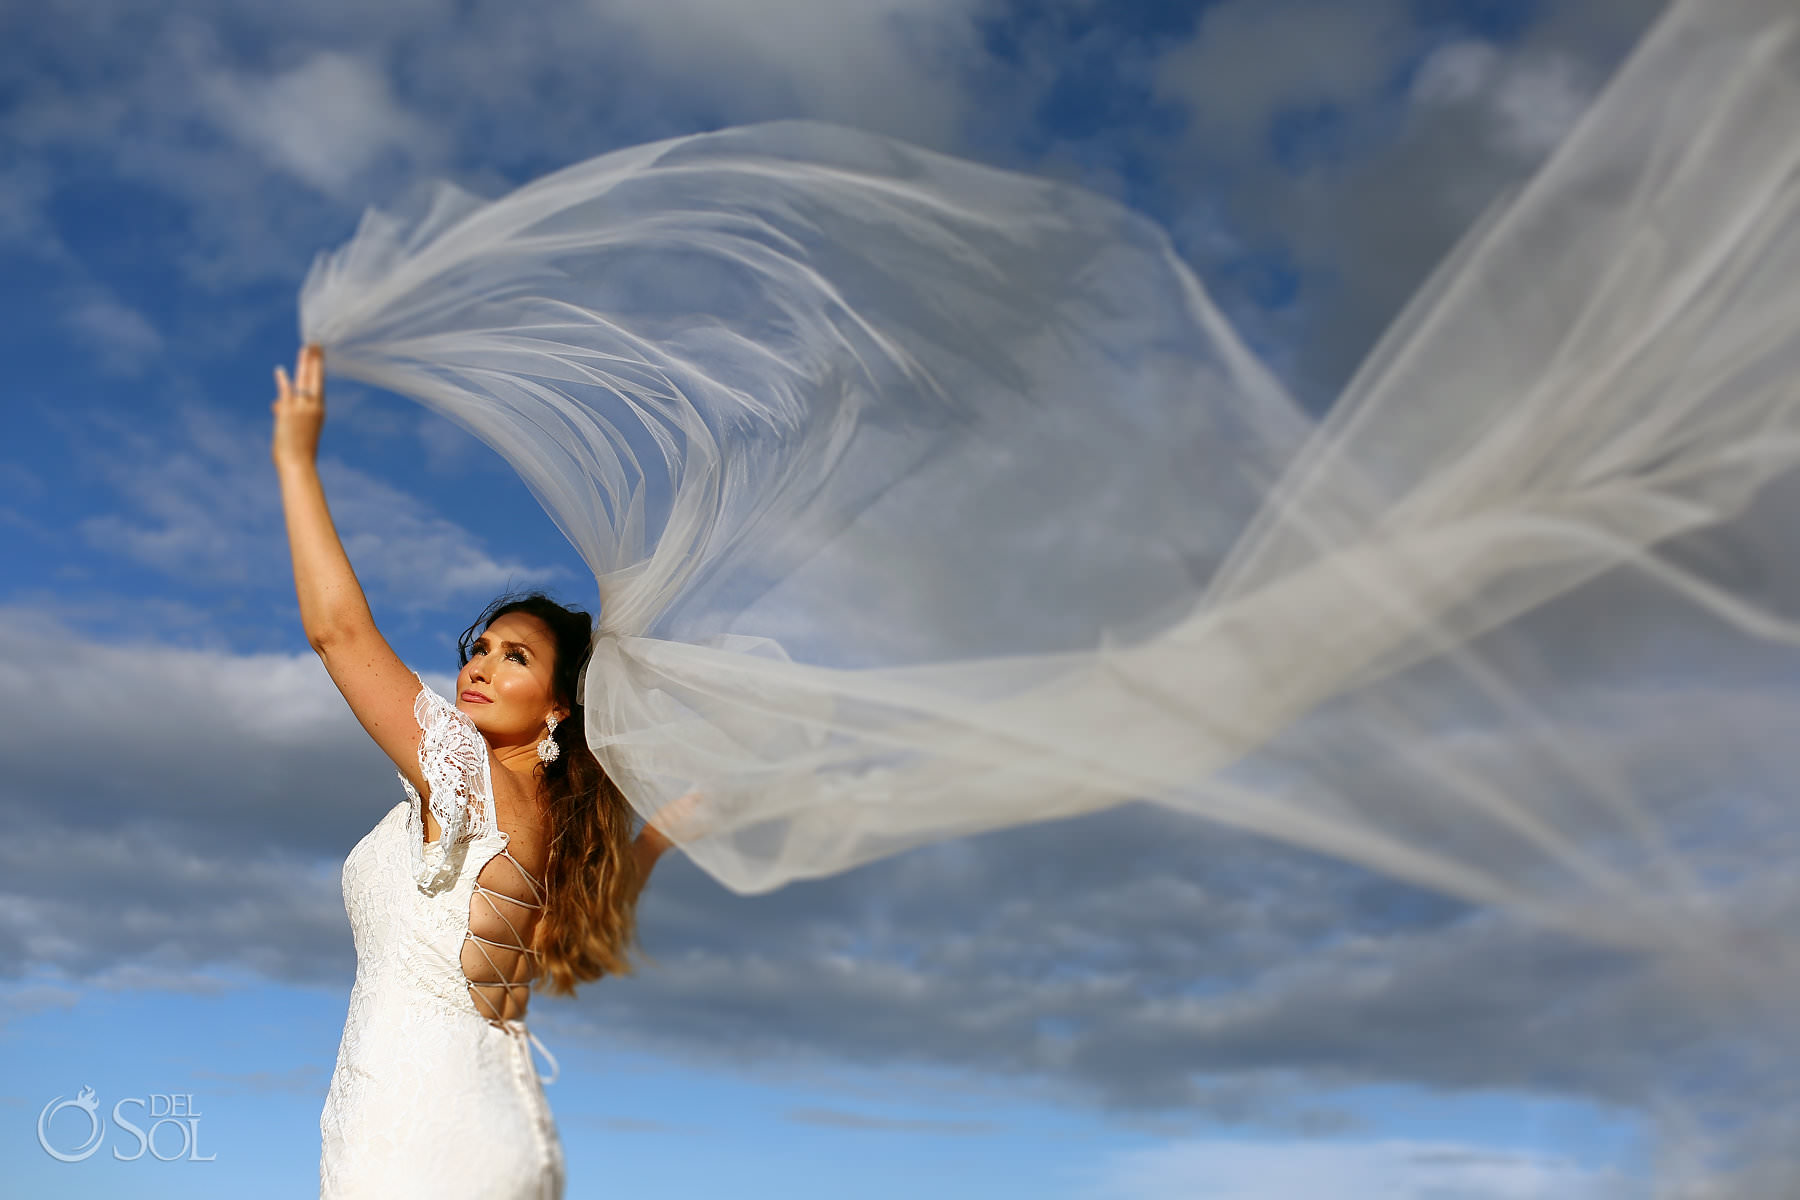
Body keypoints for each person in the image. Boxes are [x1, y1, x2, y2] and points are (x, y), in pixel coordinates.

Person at [272, 343, 677, 1198]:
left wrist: (296, 460)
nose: (479, 667)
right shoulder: (561, 826)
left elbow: (339, 634)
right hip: (497, 1130)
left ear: (560, 706)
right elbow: (567, 945)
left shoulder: (462, 770)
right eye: (479, 647)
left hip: (415, 1130)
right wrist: (662, 838)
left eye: (516, 657)